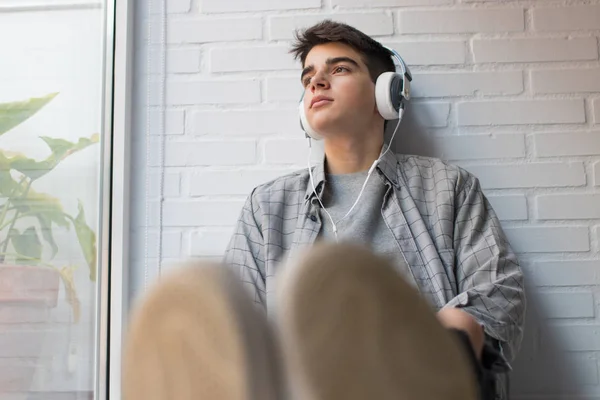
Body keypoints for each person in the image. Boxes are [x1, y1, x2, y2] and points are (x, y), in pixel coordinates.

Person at [224, 20, 526, 399]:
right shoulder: (268, 206)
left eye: (339, 69)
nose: (317, 82)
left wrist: (434, 346)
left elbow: (499, 289)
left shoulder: (446, 187)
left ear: (387, 93)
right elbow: (236, 328)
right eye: (308, 78)